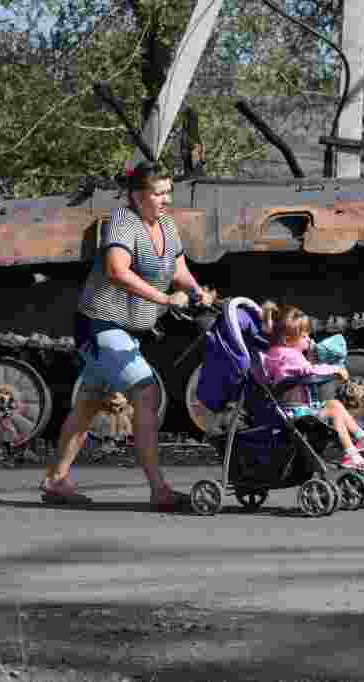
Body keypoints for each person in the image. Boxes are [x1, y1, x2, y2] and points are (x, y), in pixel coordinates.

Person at [40, 161, 213, 510]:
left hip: (128, 330)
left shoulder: (165, 224)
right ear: (136, 195)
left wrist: (196, 291)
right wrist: (165, 298)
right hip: (101, 325)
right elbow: (117, 271)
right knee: (146, 392)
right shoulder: (123, 221)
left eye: (168, 191)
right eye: (158, 192)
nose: (166, 198)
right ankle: (159, 490)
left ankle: (56, 481)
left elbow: (177, 269)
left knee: (88, 402)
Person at [260, 301, 364, 472]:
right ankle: (352, 455)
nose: (309, 339)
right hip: (294, 413)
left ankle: (361, 439)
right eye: (304, 336)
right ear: (288, 340)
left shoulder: (277, 352)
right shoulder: (288, 356)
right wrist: (335, 370)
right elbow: (310, 372)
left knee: (335, 405)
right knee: (334, 410)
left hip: (296, 409)